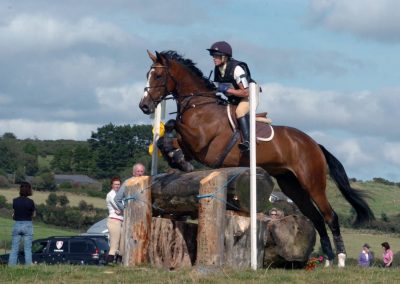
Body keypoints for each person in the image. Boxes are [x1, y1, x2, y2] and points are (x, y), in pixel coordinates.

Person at [207, 41, 256, 152]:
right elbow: (218, 87)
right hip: (234, 98)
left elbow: (246, 92)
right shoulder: (217, 69)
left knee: (239, 112)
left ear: (225, 57)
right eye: (213, 56)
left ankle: (248, 142)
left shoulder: (237, 69)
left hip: (250, 96)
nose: (214, 58)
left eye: (217, 56)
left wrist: (227, 90)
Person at [8, 182, 35, 266]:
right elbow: (34, 215)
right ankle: (28, 267)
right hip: (27, 225)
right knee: (27, 249)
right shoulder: (30, 202)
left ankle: (11, 267)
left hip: (17, 224)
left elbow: (13, 214)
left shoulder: (15, 201)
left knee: (14, 249)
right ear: (29, 190)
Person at [105, 177, 123, 264]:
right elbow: (118, 205)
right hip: (114, 220)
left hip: (121, 220)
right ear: (112, 185)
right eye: (115, 184)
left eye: (119, 184)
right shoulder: (110, 194)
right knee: (114, 243)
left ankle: (119, 261)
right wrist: (123, 210)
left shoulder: (121, 194)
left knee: (122, 243)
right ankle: (109, 262)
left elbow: (122, 208)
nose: (117, 186)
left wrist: (122, 210)